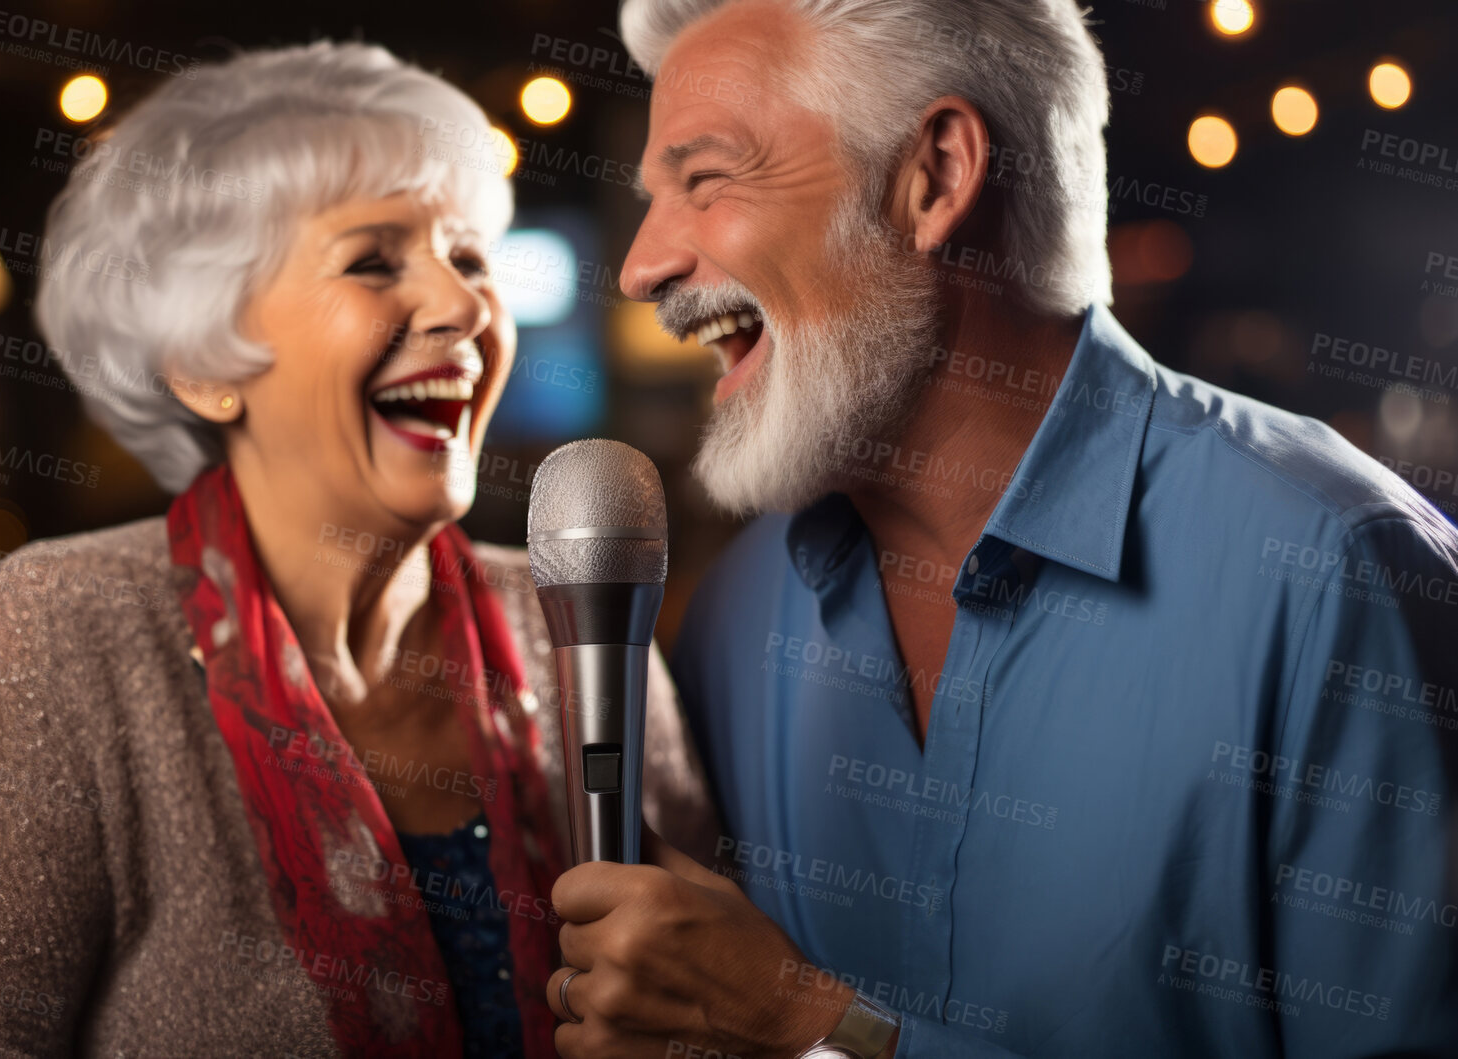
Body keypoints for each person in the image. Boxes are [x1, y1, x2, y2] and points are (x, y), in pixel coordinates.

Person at [542, 1, 1458, 1057]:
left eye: (704, 182)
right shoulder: (737, 613)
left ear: (932, 175)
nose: (641, 267)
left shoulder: (1335, 572)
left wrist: (807, 1026)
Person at [0, 41, 718, 1058]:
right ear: (203, 358)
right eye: (373, 260)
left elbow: (709, 986)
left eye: (469, 258)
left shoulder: (577, 612)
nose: (465, 307)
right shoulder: (49, 634)